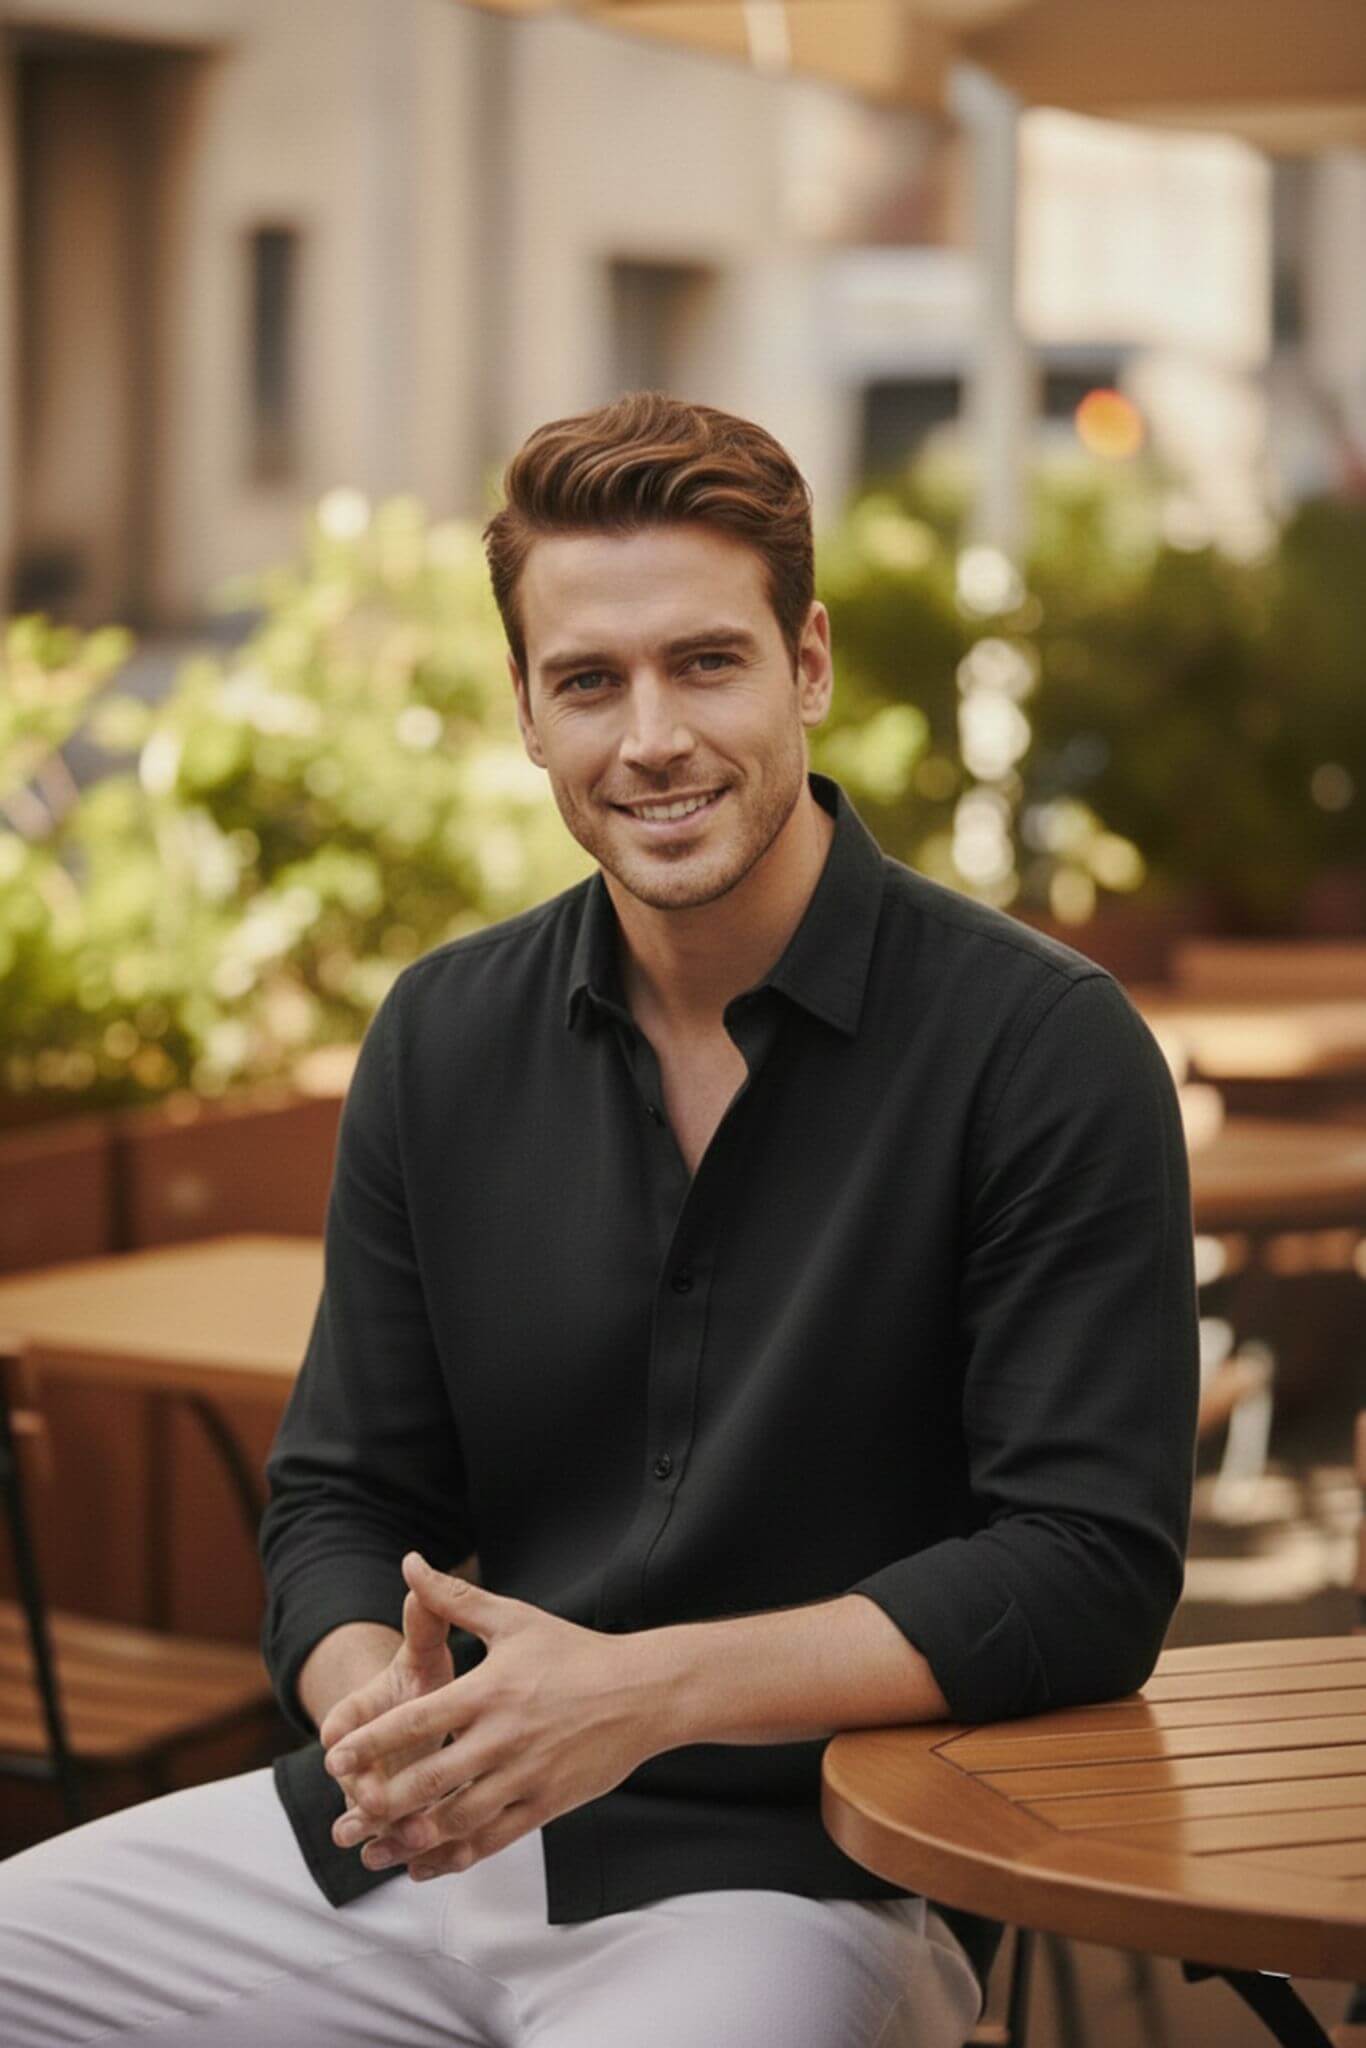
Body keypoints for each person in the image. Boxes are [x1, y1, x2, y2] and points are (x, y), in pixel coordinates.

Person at [0, 393, 1199, 2048]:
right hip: (408, 1846)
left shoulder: (1040, 1047)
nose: (650, 737)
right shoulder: (441, 1033)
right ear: (526, 712)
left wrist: (631, 1700)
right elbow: (344, 1492)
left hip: (805, 1878)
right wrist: (376, 1710)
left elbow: (1082, 1570)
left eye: (703, 662)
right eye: (589, 680)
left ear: (809, 667)